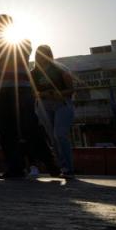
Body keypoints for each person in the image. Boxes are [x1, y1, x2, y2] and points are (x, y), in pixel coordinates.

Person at [0, 16, 58, 179]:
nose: (0, 26)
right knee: (5, 131)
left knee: (30, 127)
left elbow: (3, 56)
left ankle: (51, 164)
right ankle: (15, 168)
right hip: (0, 90)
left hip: (20, 89)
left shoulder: (23, 41)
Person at [33, 45, 77, 178]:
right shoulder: (34, 72)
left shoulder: (60, 69)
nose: (41, 57)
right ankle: (63, 166)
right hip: (45, 106)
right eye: (39, 54)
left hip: (62, 104)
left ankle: (69, 168)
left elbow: (71, 89)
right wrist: (43, 94)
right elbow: (33, 92)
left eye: (44, 54)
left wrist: (58, 93)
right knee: (53, 138)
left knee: (60, 134)